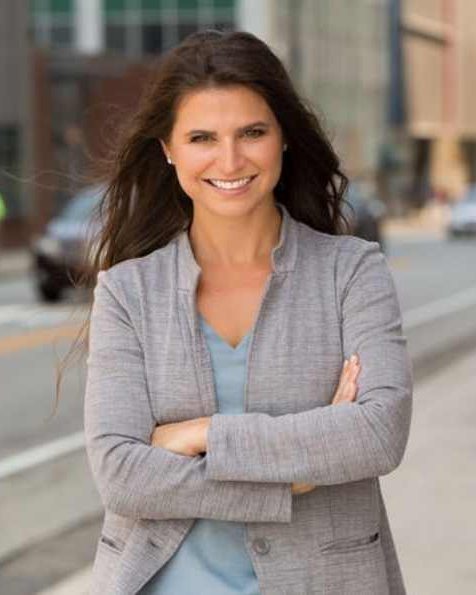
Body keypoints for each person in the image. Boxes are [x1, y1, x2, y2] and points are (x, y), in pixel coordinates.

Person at [71, 31, 412, 594]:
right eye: (202, 137)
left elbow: (377, 434)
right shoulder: (127, 291)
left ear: (283, 138)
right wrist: (290, 480)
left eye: (252, 132)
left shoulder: (352, 271)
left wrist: (200, 434)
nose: (229, 160)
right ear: (169, 148)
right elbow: (121, 476)